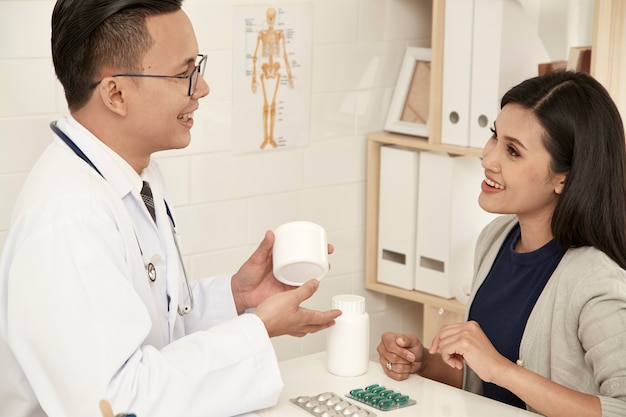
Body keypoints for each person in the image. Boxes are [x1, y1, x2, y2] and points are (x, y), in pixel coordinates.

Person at [0, 1, 341, 416]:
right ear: (116, 93)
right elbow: (114, 403)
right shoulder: (69, 218)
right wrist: (258, 329)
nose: (202, 88)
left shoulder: (132, 175)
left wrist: (235, 297)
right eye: (184, 75)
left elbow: (151, 330)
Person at [377, 70, 626, 417]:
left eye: (512, 151)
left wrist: (502, 369)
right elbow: (489, 386)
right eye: (495, 136)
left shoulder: (595, 281)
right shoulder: (496, 238)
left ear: (563, 177)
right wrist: (424, 363)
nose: (488, 158)